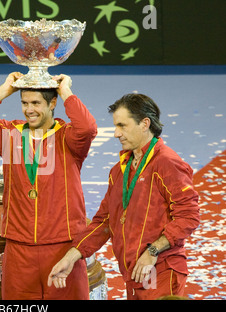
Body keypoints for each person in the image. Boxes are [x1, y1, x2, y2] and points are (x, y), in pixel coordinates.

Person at [47, 93, 200, 300]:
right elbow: (104, 221)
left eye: (122, 125)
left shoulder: (166, 163)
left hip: (160, 270)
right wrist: (71, 256)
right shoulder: (120, 171)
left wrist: (152, 252)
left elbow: (188, 216)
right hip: (133, 272)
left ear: (145, 123)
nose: (116, 133)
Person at [0, 72, 97, 299]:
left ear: (53, 103)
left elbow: (87, 128)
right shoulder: (9, 136)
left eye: (36, 103)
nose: (29, 109)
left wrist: (65, 92)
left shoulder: (69, 139)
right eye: (24, 103)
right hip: (19, 248)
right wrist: (4, 90)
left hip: (62, 246)